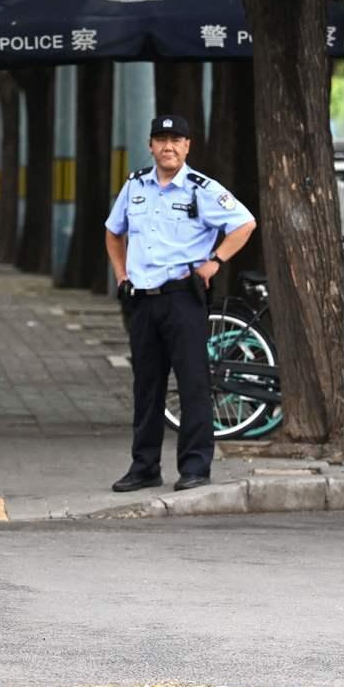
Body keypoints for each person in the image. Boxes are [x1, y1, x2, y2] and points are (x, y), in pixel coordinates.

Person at [104, 114, 256, 493]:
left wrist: (215, 261)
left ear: (187, 146)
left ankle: (195, 465)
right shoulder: (135, 186)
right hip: (142, 300)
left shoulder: (200, 188)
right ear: (151, 145)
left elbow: (244, 223)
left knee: (192, 384)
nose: (168, 146)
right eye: (161, 139)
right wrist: (121, 274)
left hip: (182, 297)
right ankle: (144, 466)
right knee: (147, 387)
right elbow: (113, 231)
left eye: (176, 140)